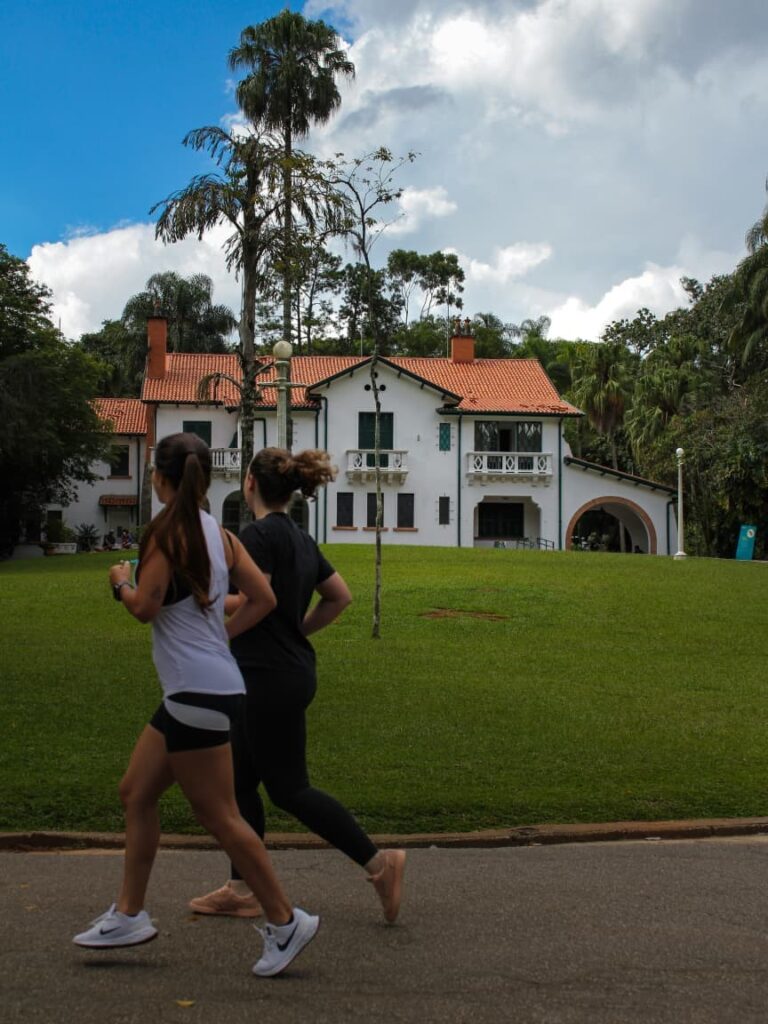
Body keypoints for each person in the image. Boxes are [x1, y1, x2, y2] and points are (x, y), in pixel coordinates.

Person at [73, 433, 320, 978]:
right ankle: (128, 914)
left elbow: (145, 607)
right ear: (205, 478)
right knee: (136, 792)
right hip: (208, 688)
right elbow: (265, 599)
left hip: (196, 693)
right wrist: (219, 636)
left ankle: (286, 921)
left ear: (159, 478)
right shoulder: (221, 535)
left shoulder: (164, 533)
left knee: (221, 816)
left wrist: (119, 583)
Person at [188, 448, 406, 925]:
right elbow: (340, 597)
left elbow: (253, 599)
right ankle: (242, 887)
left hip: (267, 676)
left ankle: (379, 864)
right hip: (279, 672)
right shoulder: (301, 539)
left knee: (288, 789)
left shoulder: (258, 535)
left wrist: (209, 605)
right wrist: (297, 631)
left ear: (249, 485)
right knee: (241, 781)